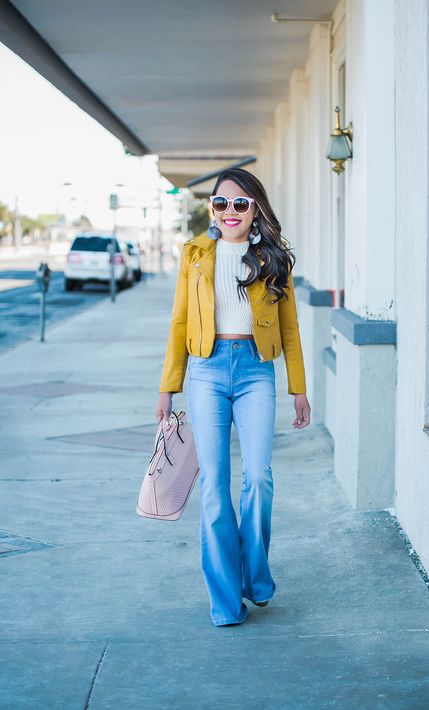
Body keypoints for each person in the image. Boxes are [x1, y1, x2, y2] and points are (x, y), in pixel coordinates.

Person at [156, 167, 311, 627]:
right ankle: (225, 599)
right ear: (211, 209)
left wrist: (298, 389)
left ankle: (255, 575)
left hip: (255, 371)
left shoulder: (273, 259)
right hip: (205, 370)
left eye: (240, 204)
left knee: (259, 478)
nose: (229, 212)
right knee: (214, 486)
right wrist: (169, 386)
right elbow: (179, 323)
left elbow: (290, 330)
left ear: (256, 208)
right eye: (220, 204)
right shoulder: (195, 254)